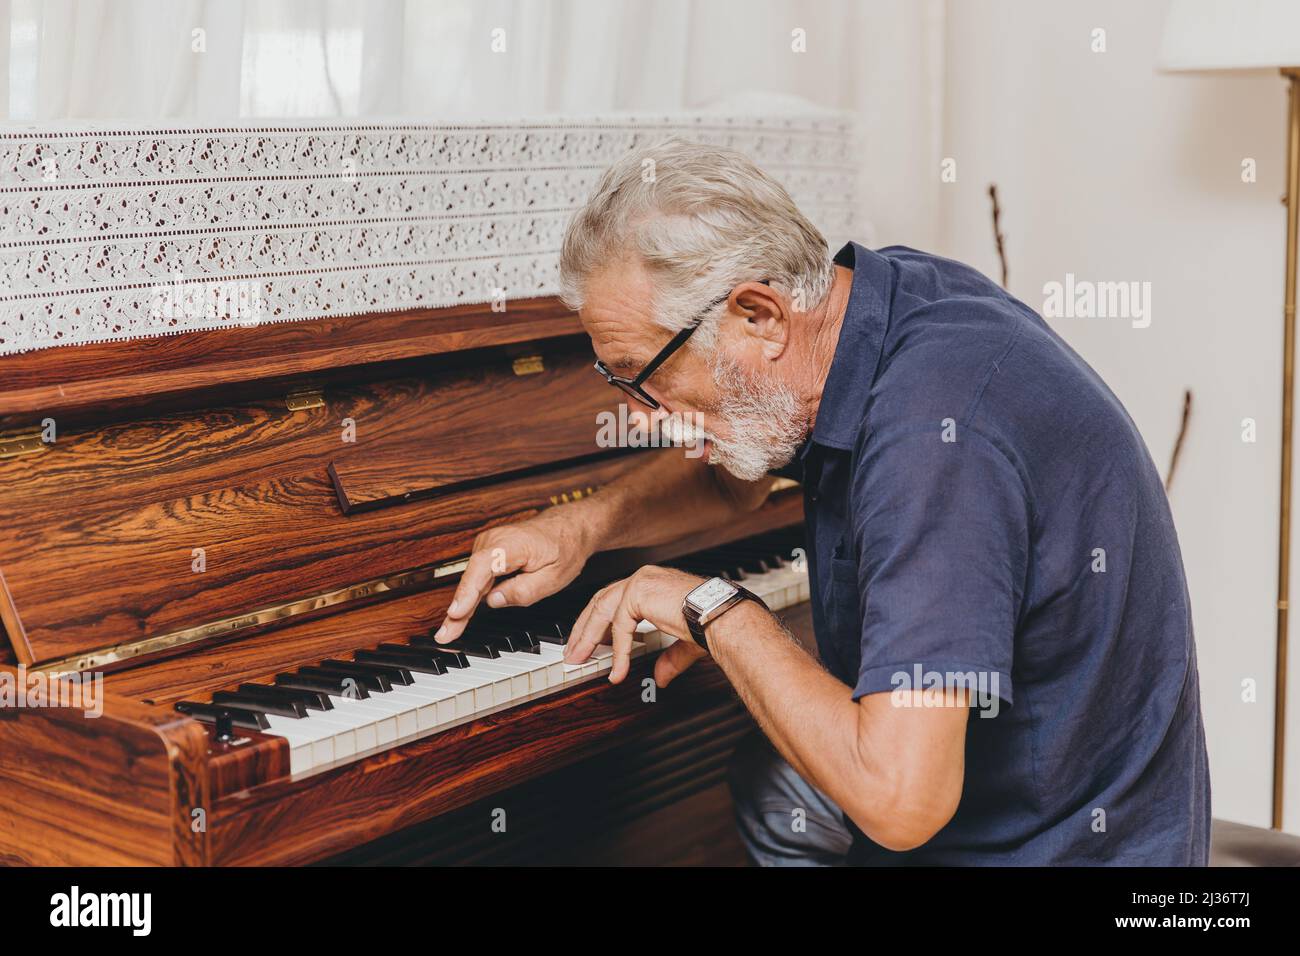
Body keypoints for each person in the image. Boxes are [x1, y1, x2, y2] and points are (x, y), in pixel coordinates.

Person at [434, 138, 1211, 865]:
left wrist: (711, 606)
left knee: (798, 784)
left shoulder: (933, 443)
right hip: (1056, 784)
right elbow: (728, 474)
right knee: (775, 788)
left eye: (644, 374)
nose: (638, 415)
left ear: (758, 315)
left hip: (1066, 845)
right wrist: (581, 523)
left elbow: (902, 803)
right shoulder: (873, 309)